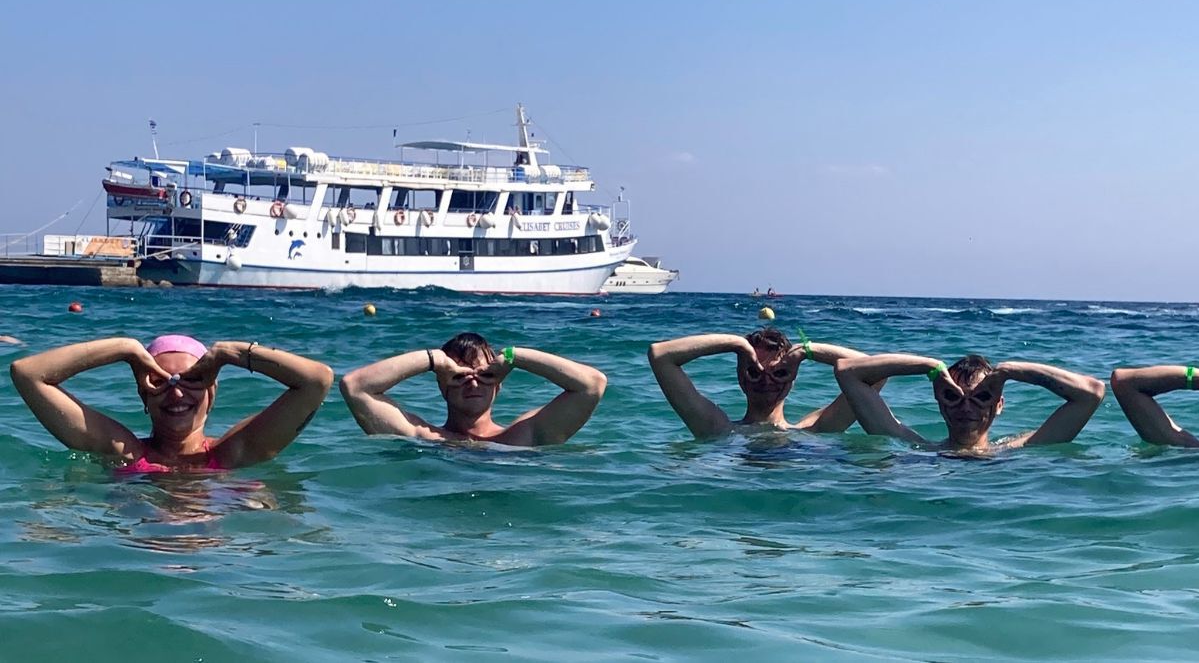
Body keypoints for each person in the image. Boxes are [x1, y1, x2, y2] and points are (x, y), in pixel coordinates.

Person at [9, 335, 333, 471]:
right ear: (143, 395)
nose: (176, 393)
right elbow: (28, 374)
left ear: (212, 392)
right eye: (160, 382)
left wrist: (229, 353)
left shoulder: (234, 452)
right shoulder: (123, 452)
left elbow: (316, 380)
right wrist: (125, 349)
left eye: (192, 380)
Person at [339, 332, 606, 445]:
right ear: (442, 387)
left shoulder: (523, 436)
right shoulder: (422, 437)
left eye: (485, 375)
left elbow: (592, 385)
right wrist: (435, 360)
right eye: (460, 375)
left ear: (498, 385)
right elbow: (355, 387)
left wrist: (514, 357)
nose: (473, 381)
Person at [833, 353, 1105, 451]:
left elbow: (1091, 393)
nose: (966, 408)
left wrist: (1010, 371)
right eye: (953, 397)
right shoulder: (918, 449)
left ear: (999, 404)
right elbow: (847, 372)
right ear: (939, 401)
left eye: (981, 398)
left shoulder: (1017, 450)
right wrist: (930, 367)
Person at [647, 328, 875, 438]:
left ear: (793, 377)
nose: (767, 380)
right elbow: (660, 355)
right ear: (740, 377)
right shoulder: (717, 428)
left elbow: (873, 372)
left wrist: (806, 350)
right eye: (754, 371)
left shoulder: (816, 429)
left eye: (779, 372)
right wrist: (736, 344)